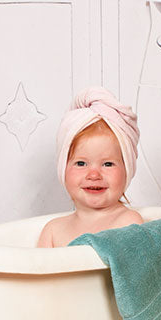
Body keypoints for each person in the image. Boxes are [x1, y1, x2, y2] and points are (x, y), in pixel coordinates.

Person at [38, 87, 142, 247]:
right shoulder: (53, 230)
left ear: (127, 170)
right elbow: (36, 269)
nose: (94, 175)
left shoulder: (128, 223)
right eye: (81, 163)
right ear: (63, 169)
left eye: (108, 164)